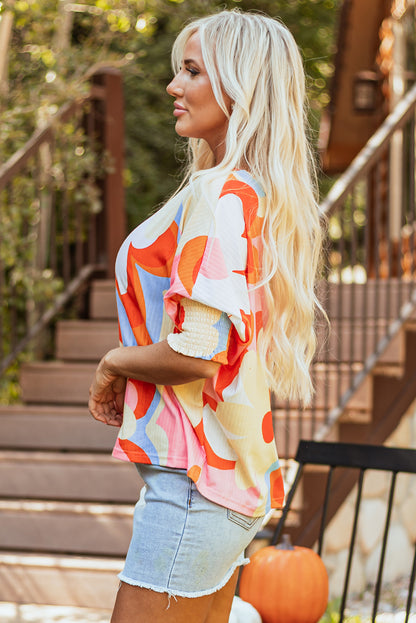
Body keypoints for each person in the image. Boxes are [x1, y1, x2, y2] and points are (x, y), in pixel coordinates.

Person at [88, 9, 323, 623]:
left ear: (238, 86)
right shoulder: (248, 191)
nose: (173, 86)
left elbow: (197, 351)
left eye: (191, 71)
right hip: (218, 482)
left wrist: (113, 362)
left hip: (194, 485)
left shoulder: (222, 195)